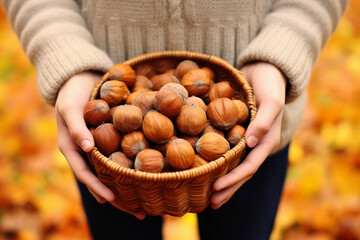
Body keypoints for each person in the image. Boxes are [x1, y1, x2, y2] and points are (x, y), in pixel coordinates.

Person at [2, 0, 349, 239]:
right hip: (100, 137)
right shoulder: (123, 116)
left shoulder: (223, 115)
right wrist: (64, 56)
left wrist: (285, 46)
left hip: (256, 122)